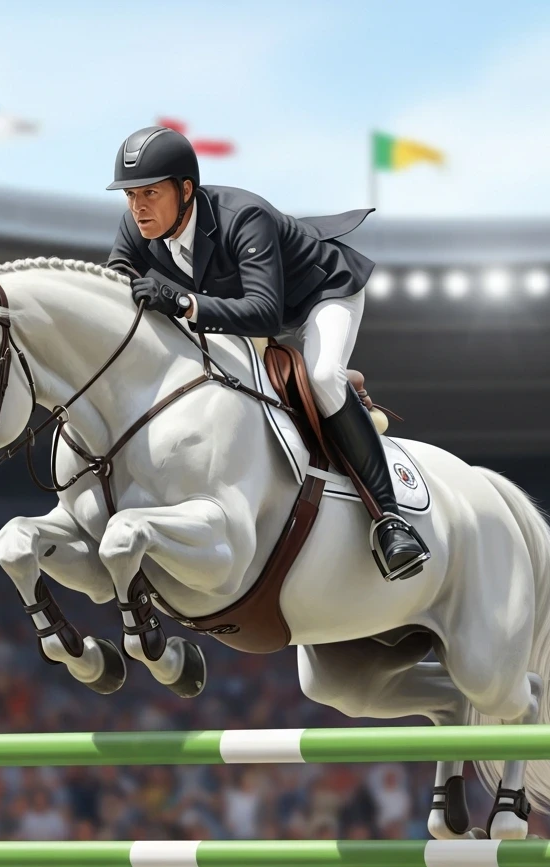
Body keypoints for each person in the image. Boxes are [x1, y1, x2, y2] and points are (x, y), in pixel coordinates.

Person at [106, 126, 427, 579]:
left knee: (320, 377)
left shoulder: (244, 216)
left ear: (184, 190)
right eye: (130, 195)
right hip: (240, 309)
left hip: (318, 294)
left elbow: (263, 313)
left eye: (150, 194)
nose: (138, 207)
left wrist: (181, 302)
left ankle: (391, 522)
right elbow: (114, 292)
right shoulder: (136, 226)